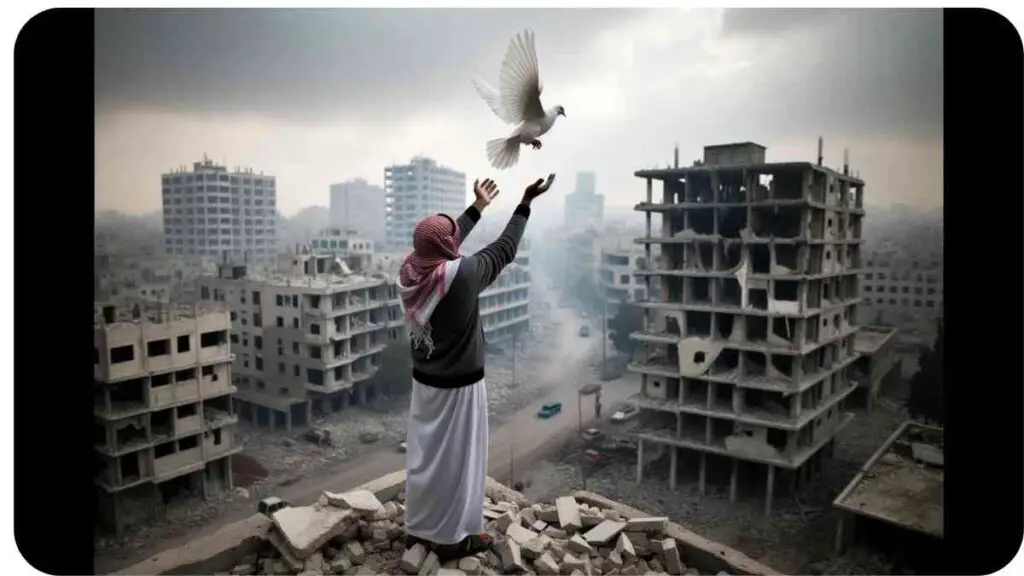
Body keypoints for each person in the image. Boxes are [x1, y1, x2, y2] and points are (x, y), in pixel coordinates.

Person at [397, 173, 556, 561]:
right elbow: (504, 249)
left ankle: (420, 527)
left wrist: (477, 208)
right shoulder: (462, 276)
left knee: (427, 458)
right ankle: (454, 537)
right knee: (461, 462)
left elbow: (443, 245)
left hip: (425, 384)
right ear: (447, 247)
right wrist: (524, 204)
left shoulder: (409, 273)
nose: (456, 239)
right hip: (460, 389)